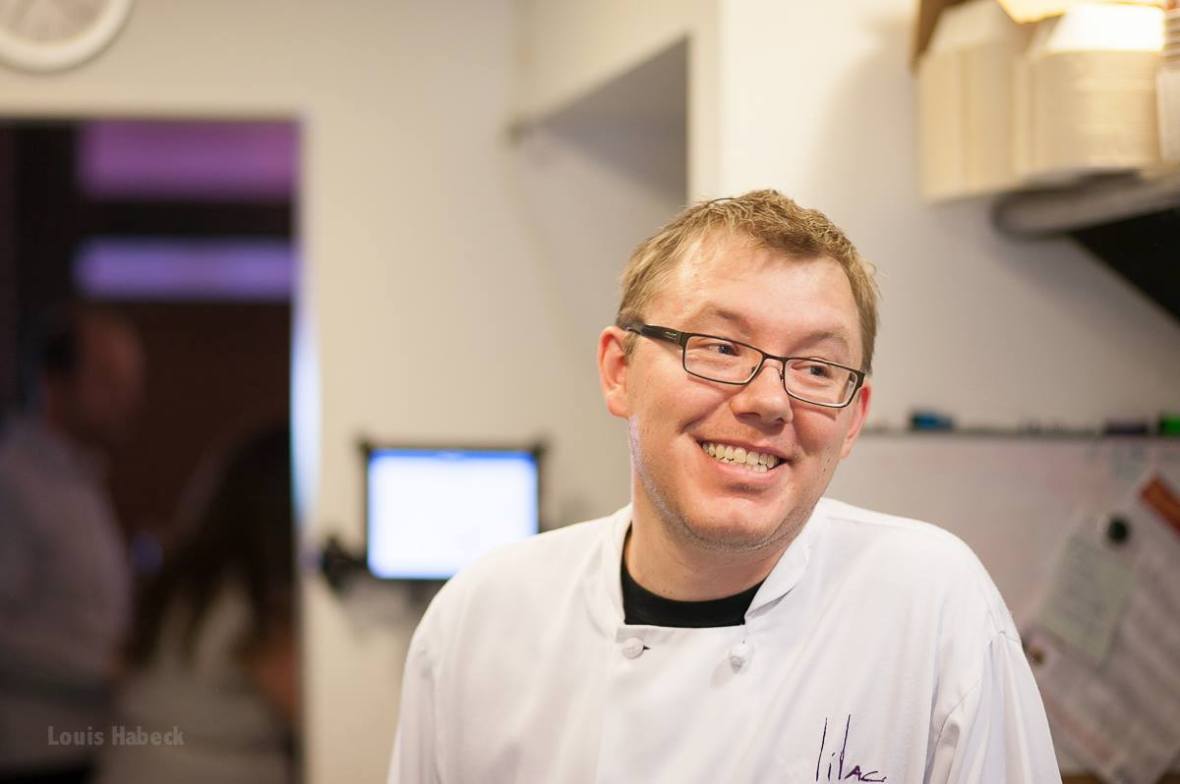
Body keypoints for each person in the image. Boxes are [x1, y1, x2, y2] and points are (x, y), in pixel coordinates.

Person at [388, 190, 1061, 783]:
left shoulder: (933, 606)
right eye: (719, 348)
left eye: (817, 368)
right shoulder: (481, 619)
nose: (768, 402)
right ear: (620, 371)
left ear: (853, 419)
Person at [95, 425, 296, 784]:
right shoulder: (253, 596)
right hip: (203, 768)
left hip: (133, 761)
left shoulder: (182, 577)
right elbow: (306, 704)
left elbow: (117, 665)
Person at [0, 305, 144, 783]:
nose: (127, 396)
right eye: (108, 378)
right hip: (34, 753)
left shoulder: (80, 477)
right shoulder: (15, 480)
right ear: (53, 383)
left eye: (130, 380)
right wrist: (102, 668)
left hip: (88, 743)